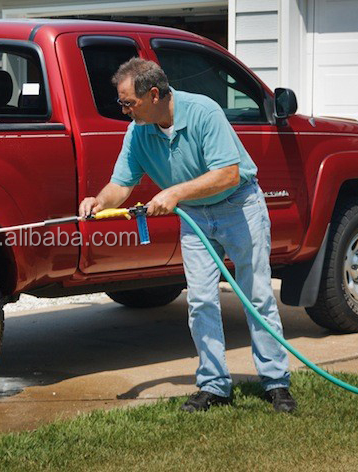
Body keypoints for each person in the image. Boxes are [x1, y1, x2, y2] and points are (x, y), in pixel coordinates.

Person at [78, 58, 297, 413]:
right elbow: (121, 184)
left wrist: (175, 193)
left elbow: (228, 173)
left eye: (127, 103)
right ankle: (214, 385)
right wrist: (98, 202)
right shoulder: (137, 132)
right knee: (201, 301)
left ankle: (276, 383)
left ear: (152, 95)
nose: (123, 110)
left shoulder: (203, 112)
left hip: (238, 206)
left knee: (256, 296)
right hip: (195, 216)